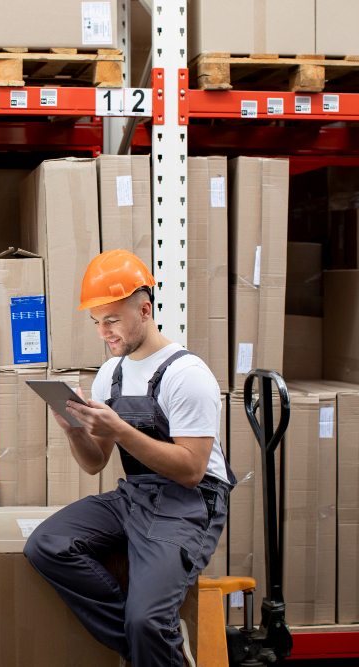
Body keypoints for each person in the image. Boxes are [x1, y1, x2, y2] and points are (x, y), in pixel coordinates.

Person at [24, 249, 235, 667]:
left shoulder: (187, 376)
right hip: (136, 495)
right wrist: (74, 432)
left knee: (147, 620)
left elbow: (192, 470)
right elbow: (94, 463)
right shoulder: (111, 374)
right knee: (46, 545)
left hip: (189, 504)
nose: (104, 332)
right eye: (97, 322)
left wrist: (121, 430)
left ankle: (150, 638)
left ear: (144, 309)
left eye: (113, 320)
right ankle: (154, 649)